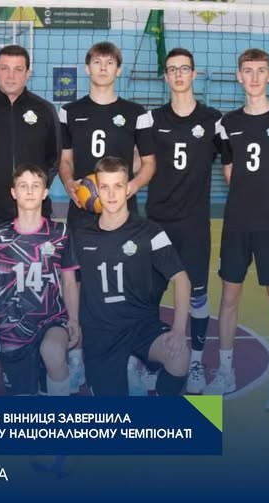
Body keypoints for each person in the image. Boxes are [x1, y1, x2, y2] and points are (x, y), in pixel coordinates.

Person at [204, 48, 269, 411]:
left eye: (260, 70)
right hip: (237, 222)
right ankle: (226, 372)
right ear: (239, 76)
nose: (254, 77)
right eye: (247, 71)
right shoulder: (227, 123)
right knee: (228, 298)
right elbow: (229, 168)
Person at [0, 44, 60, 394]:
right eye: (4, 68)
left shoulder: (44, 110)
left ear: (28, 72)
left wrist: (33, 197)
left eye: (18, 68)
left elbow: (53, 160)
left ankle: (29, 362)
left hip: (33, 221)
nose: (10, 75)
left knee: (33, 294)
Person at [65, 157, 190, 396]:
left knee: (179, 356)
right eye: (105, 187)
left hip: (142, 326)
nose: (112, 194)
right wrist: (73, 320)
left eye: (118, 186)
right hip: (101, 333)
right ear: (96, 190)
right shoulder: (80, 235)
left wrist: (178, 330)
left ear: (128, 189)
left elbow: (181, 279)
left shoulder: (150, 232)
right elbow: (70, 280)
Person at [146, 48, 224, 394]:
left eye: (184, 68)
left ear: (194, 73)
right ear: (165, 77)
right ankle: (150, 361)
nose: (178, 74)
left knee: (197, 296)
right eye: (172, 69)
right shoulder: (151, 119)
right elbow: (138, 163)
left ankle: (195, 362)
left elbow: (236, 161)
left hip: (193, 223)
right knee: (149, 296)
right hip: (157, 222)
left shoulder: (213, 121)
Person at [0, 164, 80, 396]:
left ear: (45, 192)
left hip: (51, 319)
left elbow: (69, 281)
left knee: (52, 351)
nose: (29, 191)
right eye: (23, 186)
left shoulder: (60, 232)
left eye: (35, 186)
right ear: (14, 192)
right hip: (12, 327)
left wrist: (74, 319)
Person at [59, 41, 156, 229]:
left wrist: (134, 185)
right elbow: (65, 160)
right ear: (87, 68)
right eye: (97, 62)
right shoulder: (69, 111)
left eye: (110, 63)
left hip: (122, 206)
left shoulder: (136, 113)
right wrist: (69, 182)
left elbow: (149, 163)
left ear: (118, 70)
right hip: (83, 203)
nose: (103, 68)